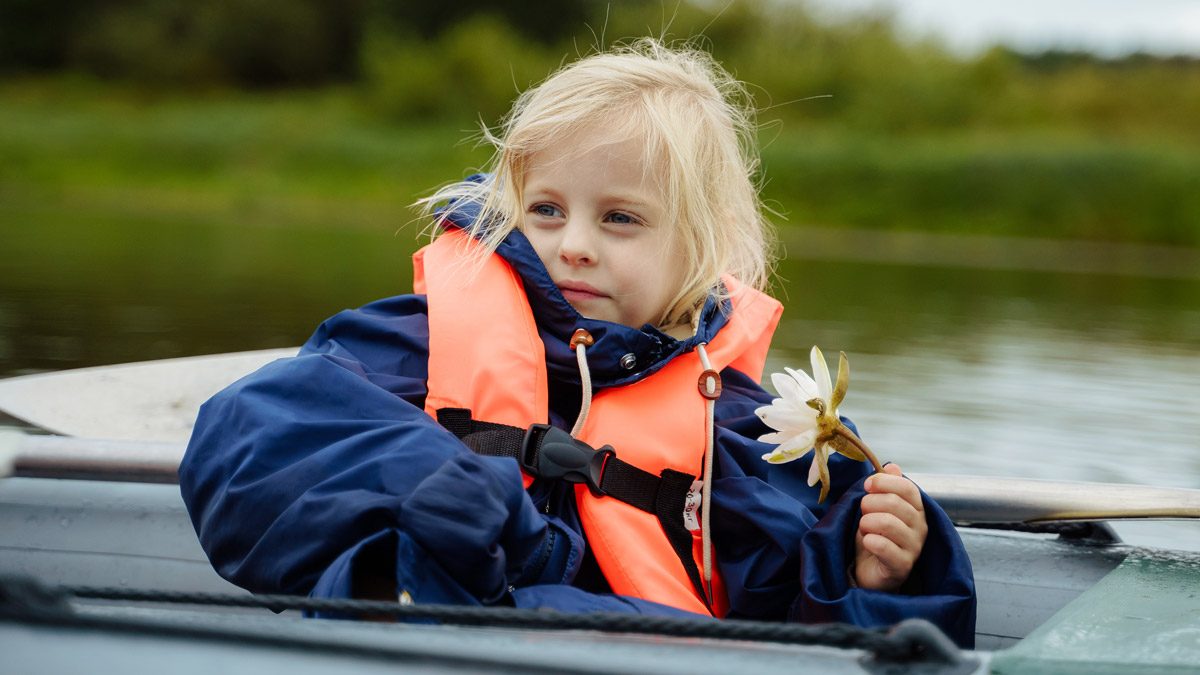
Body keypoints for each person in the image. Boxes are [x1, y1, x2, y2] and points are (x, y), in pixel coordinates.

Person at [179, 39, 976, 646]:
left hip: (641, 649)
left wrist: (873, 576)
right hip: (444, 635)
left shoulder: (737, 426)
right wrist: (440, 488)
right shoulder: (417, 341)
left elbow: (791, 627)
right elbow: (249, 437)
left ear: (699, 247)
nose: (575, 245)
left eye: (619, 218)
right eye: (548, 209)